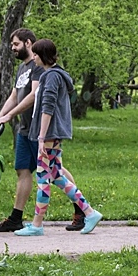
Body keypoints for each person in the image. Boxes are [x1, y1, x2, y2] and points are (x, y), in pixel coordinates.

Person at [0, 28, 85, 232]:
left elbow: (34, 96)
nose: (12, 48)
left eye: (16, 44)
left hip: (40, 128)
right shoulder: (22, 69)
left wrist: (9, 116)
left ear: (28, 43)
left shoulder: (40, 66)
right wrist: (0, 116)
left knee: (55, 171)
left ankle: (81, 210)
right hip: (25, 129)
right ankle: (16, 217)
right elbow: (14, 96)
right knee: (23, 170)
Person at [14, 39, 102, 236]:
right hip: (51, 134)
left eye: (36, 54)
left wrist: (41, 137)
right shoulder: (53, 74)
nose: (33, 56)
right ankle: (90, 212)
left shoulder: (51, 76)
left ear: (43, 55)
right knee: (57, 177)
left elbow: (48, 107)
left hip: (49, 134)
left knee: (43, 179)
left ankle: (37, 225)